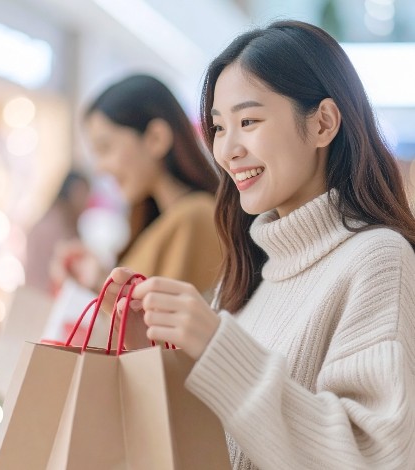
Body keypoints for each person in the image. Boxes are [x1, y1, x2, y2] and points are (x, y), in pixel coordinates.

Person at [103, 20, 415, 469]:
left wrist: (217, 346)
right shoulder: (250, 269)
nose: (227, 149)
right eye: (219, 127)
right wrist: (148, 350)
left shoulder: (378, 259)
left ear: (323, 123)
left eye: (248, 121)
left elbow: (374, 456)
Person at [52, 75, 221, 298]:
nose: (100, 168)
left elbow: (151, 324)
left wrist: (101, 283)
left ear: (155, 138)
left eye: (106, 148)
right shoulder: (163, 219)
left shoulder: (194, 215)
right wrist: (97, 279)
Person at [25, 169, 91, 294]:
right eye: (83, 194)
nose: (85, 202)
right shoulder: (55, 227)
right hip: (44, 299)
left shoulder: (57, 221)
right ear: (72, 192)